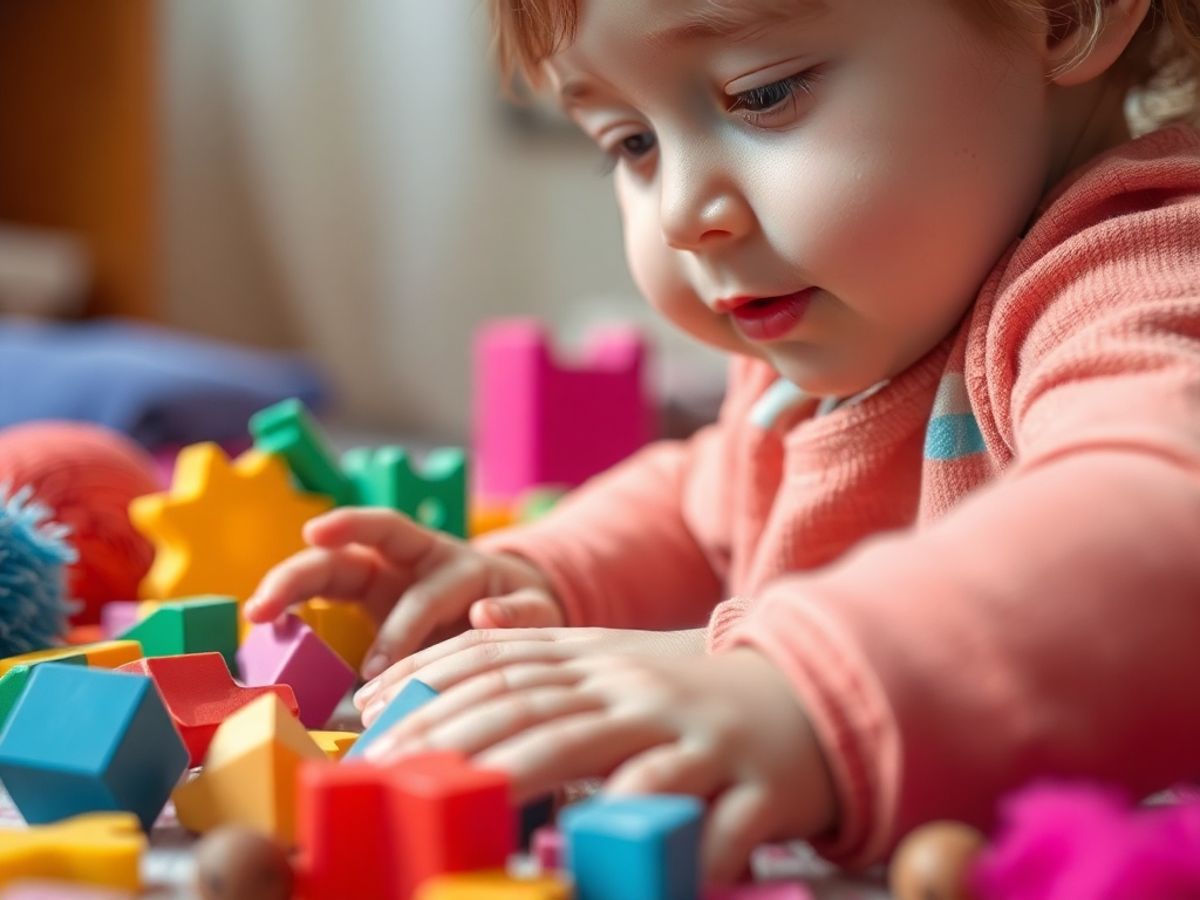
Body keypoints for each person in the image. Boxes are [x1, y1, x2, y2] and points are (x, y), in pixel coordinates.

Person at [245, 0, 1200, 884]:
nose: (681, 217)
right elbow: (715, 494)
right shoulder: (848, 319)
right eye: (630, 144)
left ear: (1065, 13)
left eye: (764, 93)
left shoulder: (1134, 270)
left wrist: (810, 687)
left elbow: (1161, 523)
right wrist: (543, 585)